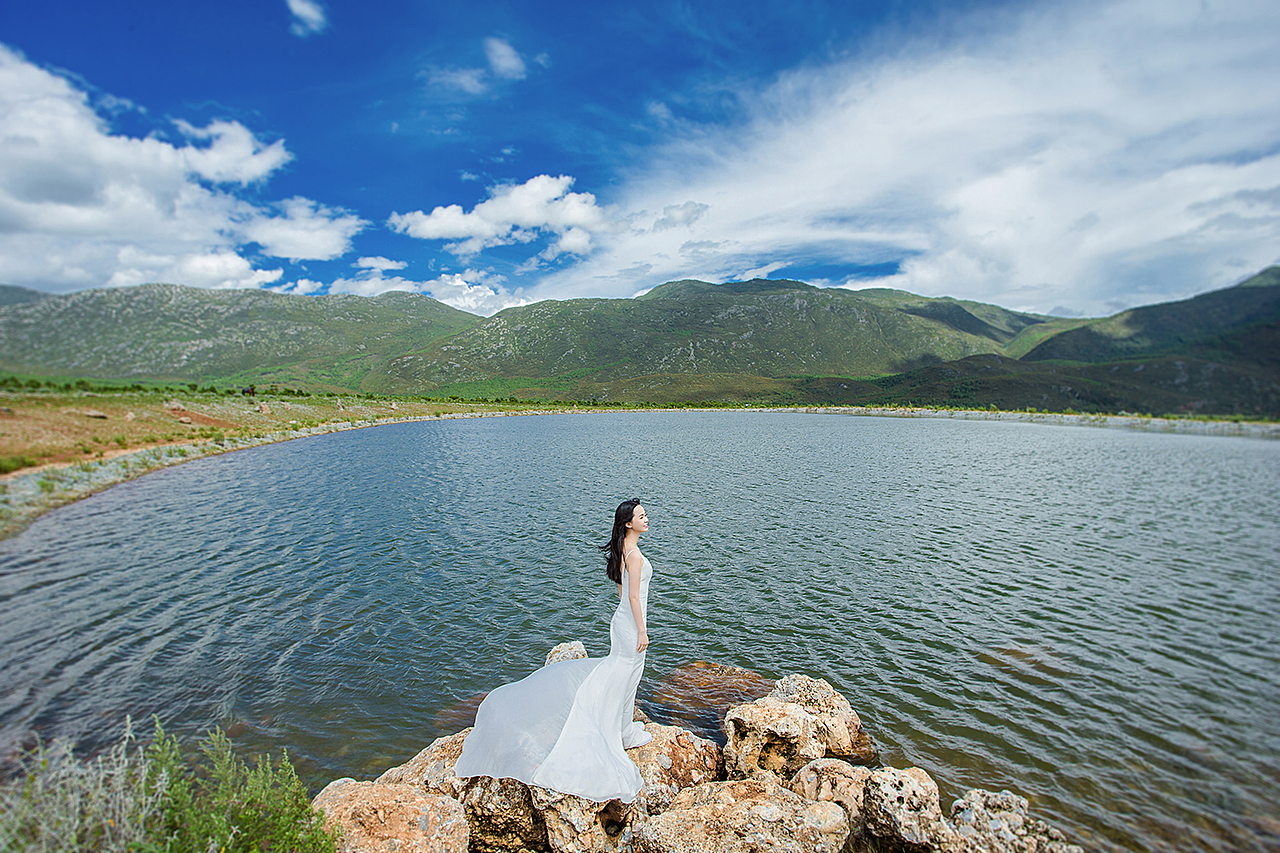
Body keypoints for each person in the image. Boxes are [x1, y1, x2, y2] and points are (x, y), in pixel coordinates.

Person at [453, 499, 654, 802]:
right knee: (627, 676)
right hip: (631, 624)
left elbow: (622, 591)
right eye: (641, 516)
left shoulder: (622, 549)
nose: (646, 519)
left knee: (622, 675)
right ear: (628, 523)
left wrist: (629, 619)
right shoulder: (635, 555)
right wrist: (641, 629)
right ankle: (622, 731)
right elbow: (635, 598)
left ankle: (624, 728)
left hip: (621, 620)